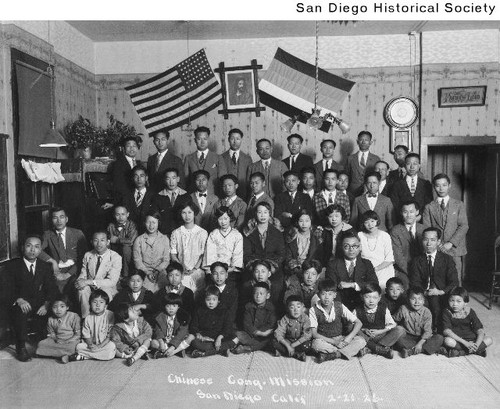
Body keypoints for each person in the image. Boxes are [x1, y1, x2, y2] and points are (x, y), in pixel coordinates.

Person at [423, 173, 469, 285]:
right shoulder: (429, 207)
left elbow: (464, 226)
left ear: (449, 186)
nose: (441, 188)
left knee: (456, 278)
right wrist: (438, 244)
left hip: (455, 249)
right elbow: (427, 229)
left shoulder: (459, 205)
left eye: (444, 185)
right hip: (437, 248)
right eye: (438, 185)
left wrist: (451, 243)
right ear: (434, 187)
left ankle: (457, 301)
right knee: (438, 278)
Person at [409, 227, 459, 328]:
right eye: (425, 239)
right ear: (422, 240)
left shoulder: (447, 259)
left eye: (432, 240)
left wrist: (440, 292)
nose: (428, 243)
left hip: (442, 292)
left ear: (438, 241)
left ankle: (437, 329)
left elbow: (454, 282)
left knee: (436, 303)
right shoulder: (417, 260)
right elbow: (415, 281)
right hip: (424, 292)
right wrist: (424, 292)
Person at [310, 279, 366, 362]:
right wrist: (334, 342)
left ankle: (334, 354)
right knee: (315, 345)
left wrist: (348, 338)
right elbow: (314, 334)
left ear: (335, 295)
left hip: (340, 338)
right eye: (323, 294)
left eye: (330, 294)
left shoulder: (339, 306)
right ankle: (346, 352)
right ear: (318, 295)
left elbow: (359, 323)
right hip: (325, 340)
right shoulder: (313, 309)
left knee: (361, 341)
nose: (326, 297)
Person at [39, 207, 88, 294]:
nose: (59, 221)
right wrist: (52, 261)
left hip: (76, 269)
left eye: (61, 217)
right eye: (55, 218)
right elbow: (38, 250)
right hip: (58, 269)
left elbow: (83, 257)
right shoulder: (48, 234)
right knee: (55, 293)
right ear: (51, 220)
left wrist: (67, 274)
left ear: (66, 219)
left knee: (76, 291)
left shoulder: (77, 233)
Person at [243, 202, 285, 302]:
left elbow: (281, 254)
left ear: (270, 214)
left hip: (272, 269)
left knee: (277, 285)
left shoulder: (277, 232)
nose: (262, 215)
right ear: (255, 214)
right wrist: (257, 266)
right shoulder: (248, 232)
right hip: (254, 268)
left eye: (265, 212)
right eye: (259, 212)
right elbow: (246, 254)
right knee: (247, 285)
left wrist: (270, 267)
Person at [326, 230, 377, 311]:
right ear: (341, 247)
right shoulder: (332, 264)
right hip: (340, 306)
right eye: (346, 246)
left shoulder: (367, 263)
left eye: (355, 246)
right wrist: (341, 309)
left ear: (360, 247)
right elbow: (331, 288)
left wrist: (353, 285)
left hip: (363, 306)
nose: (351, 249)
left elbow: (374, 285)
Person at [75, 231, 122, 318]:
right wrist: (80, 281)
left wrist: (88, 282)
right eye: (96, 240)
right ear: (92, 242)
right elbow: (83, 273)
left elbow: (112, 281)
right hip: (90, 287)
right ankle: (86, 319)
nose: (99, 243)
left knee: (102, 295)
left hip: (107, 288)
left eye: (102, 240)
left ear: (108, 242)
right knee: (82, 290)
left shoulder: (115, 257)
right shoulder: (88, 255)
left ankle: (101, 321)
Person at [353, 282, 405, 359]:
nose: (371, 301)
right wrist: (364, 330)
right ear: (362, 297)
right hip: (365, 336)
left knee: (400, 329)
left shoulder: (383, 308)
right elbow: (353, 325)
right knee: (350, 327)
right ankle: (378, 349)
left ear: (379, 298)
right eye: (367, 297)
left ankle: (371, 348)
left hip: (381, 336)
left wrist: (380, 331)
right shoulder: (357, 310)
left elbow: (392, 324)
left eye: (374, 298)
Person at [62, 289, 116, 363]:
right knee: (79, 347)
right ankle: (95, 355)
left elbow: (110, 335)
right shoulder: (88, 317)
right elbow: (86, 335)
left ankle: (84, 357)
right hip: (92, 345)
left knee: (111, 347)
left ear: (106, 305)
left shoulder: (110, 315)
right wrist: (91, 345)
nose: (97, 305)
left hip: (104, 344)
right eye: (94, 302)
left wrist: (99, 346)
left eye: (101, 302)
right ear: (90, 304)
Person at [442, 287, 493, 357]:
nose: (455, 304)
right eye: (452, 300)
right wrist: (465, 343)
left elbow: (480, 329)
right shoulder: (446, 312)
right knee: (448, 341)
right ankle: (477, 351)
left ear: (465, 303)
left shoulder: (470, 311)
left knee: (489, 340)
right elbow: (446, 331)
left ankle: (462, 352)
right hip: (458, 340)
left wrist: (477, 345)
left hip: (471, 338)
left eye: (458, 301)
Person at [170, 202, 208, 295]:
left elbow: (203, 254)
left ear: (194, 213)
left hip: (197, 270)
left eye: (190, 212)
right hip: (181, 269)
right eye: (184, 213)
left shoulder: (202, 232)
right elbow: (173, 253)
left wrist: (194, 269)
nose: (187, 216)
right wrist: (181, 267)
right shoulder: (176, 232)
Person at [393, 286, 444, 357]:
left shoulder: (426, 312)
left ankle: (412, 351)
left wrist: (420, 344)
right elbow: (394, 321)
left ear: (424, 301)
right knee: (398, 340)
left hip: (422, 338)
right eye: (413, 299)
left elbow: (428, 331)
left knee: (439, 338)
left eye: (420, 299)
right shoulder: (403, 308)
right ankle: (428, 349)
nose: (417, 302)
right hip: (408, 337)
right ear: (408, 300)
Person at [187, 285, 236, 357]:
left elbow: (227, 327)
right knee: (194, 342)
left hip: (220, 336)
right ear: (204, 300)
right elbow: (194, 325)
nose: (211, 302)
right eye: (208, 299)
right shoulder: (199, 310)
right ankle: (222, 349)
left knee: (236, 339)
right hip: (205, 337)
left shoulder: (224, 311)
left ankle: (205, 353)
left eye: (214, 299)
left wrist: (219, 338)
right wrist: (197, 333)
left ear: (218, 300)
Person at [233, 282, 277, 354]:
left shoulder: (271, 308)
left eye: (261, 294)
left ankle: (248, 348)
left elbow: (271, 324)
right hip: (251, 334)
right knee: (238, 334)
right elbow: (247, 324)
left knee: (271, 340)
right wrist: (258, 333)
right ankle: (259, 346)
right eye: (255, 293)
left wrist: (263, 333)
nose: (258, 296)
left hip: (264, 336)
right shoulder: (248, 307)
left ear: (268, 295)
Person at [390, 200, 425, 288]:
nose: (409, 215)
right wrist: (413, 272)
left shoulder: (424, 229)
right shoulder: (396, 230)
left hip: (422, 269)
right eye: (405, 212)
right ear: (401, 213)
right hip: (404, 269)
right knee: (405, 287)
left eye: (411, 212)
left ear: (417, 212)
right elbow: (398, 257)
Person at [132, 212, 170, 293]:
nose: (151, 225)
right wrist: (147, 272)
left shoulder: (164, 239)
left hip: (161, 271)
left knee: (164, 291)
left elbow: (166, 260)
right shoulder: (139, 240)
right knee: (147, 292)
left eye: (154, 222)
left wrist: (157, 270)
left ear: (158, 223)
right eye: (148, 222)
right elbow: (137, 260)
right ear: (144, 223)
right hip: (144, 271)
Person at [204, 207, 244, 283]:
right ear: (217, 219)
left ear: (230, 218)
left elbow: (237, 255)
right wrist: (217, 270)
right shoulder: (213, 234)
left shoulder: (237, 235)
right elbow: (210, 254)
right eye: (220, 219)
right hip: (215, 269)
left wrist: (229, 269)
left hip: (231, 269)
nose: (223, 222)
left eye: (226, 218)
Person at [358, 210, 395, 291]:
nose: (370, 224)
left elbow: (389, 259)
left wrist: (375, 269)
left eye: (372, 221)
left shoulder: (385, 236)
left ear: (377, 221)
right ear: (363, 224)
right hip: (365, 271)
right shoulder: (359, 235)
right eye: (366, 222)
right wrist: (368, 271)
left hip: (383, 270)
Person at [35, 294, 81, 360]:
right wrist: (56, 339)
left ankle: (56, 354)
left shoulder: (74, 316)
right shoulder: (51, 319)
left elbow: (78, 334)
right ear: (51, 308)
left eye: (62, 306)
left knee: (73, 348)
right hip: (58, 340)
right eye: (55, 307)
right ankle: (64, 355)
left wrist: (67, 341)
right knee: (41, 344)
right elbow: (51, 333)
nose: (58, 310)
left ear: (67, 307)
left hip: (71, 340)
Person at [184, 126, 227, 195]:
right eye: (199, 139)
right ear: (195, 140)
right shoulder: (188, 158)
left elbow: (223, 181)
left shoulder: (218, 158)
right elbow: (185, 181)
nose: (202, 142)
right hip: (193, 197)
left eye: (205, 139)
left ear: (208, 139)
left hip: (213, 196)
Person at [150, 292, 191, 359]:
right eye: (168, 306)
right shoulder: (160, 316)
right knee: (153, 343)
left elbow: (181, 334)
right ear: (164, 306)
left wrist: (173, 347)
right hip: (165, 339)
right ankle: (173, 351)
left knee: (190, 338)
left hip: (177, 339)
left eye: (174, 306)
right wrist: (161, 342)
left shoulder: (183, 317)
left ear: (178, 307)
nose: (171, 309)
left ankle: (172, 351)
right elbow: (158, 330)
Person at [151, 168, 190, 236]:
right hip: (163, 234)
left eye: (173, 178)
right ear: (164, 180)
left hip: (183, 234)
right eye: (168, 178)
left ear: (178, 179)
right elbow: (155, 218)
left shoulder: (186, 196)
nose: (171, 182)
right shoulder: (158, 197)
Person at [272, 295, 312, 361]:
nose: (295, 310)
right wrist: (288, 346)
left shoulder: (305, 318)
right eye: (292, 307)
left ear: (303, 307)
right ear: (287, 308)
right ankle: (296, 354)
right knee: (274, 341)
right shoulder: (285, 318)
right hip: (288, 341)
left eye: (298, 307)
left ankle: (286, 352)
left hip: (299, 342)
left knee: (308, 345)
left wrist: (293, 345)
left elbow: (307, 335)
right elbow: (278, 333)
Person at [284, 210, 321, 279]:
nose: (304, 224)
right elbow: (288, 257)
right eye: (301, 221)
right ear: (297, 222)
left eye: (307, 221)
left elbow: (318, 258)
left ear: (311, 222)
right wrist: (296, 267)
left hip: (311, 270)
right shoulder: (291, 236)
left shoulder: (316, 237)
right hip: (294, 269)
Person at [119, 165, 155, 232]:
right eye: (136, 176)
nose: (139, 179)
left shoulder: (153, 195)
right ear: (132, 178)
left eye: (142, 176)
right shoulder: (126, 195)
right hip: (129, 231)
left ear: (146, 178)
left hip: (147, 232)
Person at [345, 131, 381, 195]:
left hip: (371, 190)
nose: (363, 142)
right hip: (353, 192)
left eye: (366, 140)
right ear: (357, 141)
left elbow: (378, 177)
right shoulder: (350, 158)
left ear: (370, 142)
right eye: (361, 139)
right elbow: (347, 176)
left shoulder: (376, 159)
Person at [107, 205, 138, 278]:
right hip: (115, 249)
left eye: (123, 214)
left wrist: (117, 240)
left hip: (127, 252)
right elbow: (109, 239)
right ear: (114, 215)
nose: (120, 217)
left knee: (126, 248)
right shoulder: (111, 226)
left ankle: (125, 275)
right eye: (118, 215)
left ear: (128, 214)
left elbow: (130, 241)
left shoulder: (132, 225)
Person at [221, 128, 252, 199]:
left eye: (237, 139)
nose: (235, 141)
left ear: (241, 140)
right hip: (225, 195)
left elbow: (249, 179)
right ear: (228, 140)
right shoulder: (221, 157)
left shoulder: (247, 159)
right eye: (232, 139)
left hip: (243, 195)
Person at [111, 135, 143, 200]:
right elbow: (118, 186)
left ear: (137, 148)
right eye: (128, 146)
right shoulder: (118, 164)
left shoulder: (139, 164)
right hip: (124, 198)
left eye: (134, 146)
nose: (131, 148)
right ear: (123, 148)